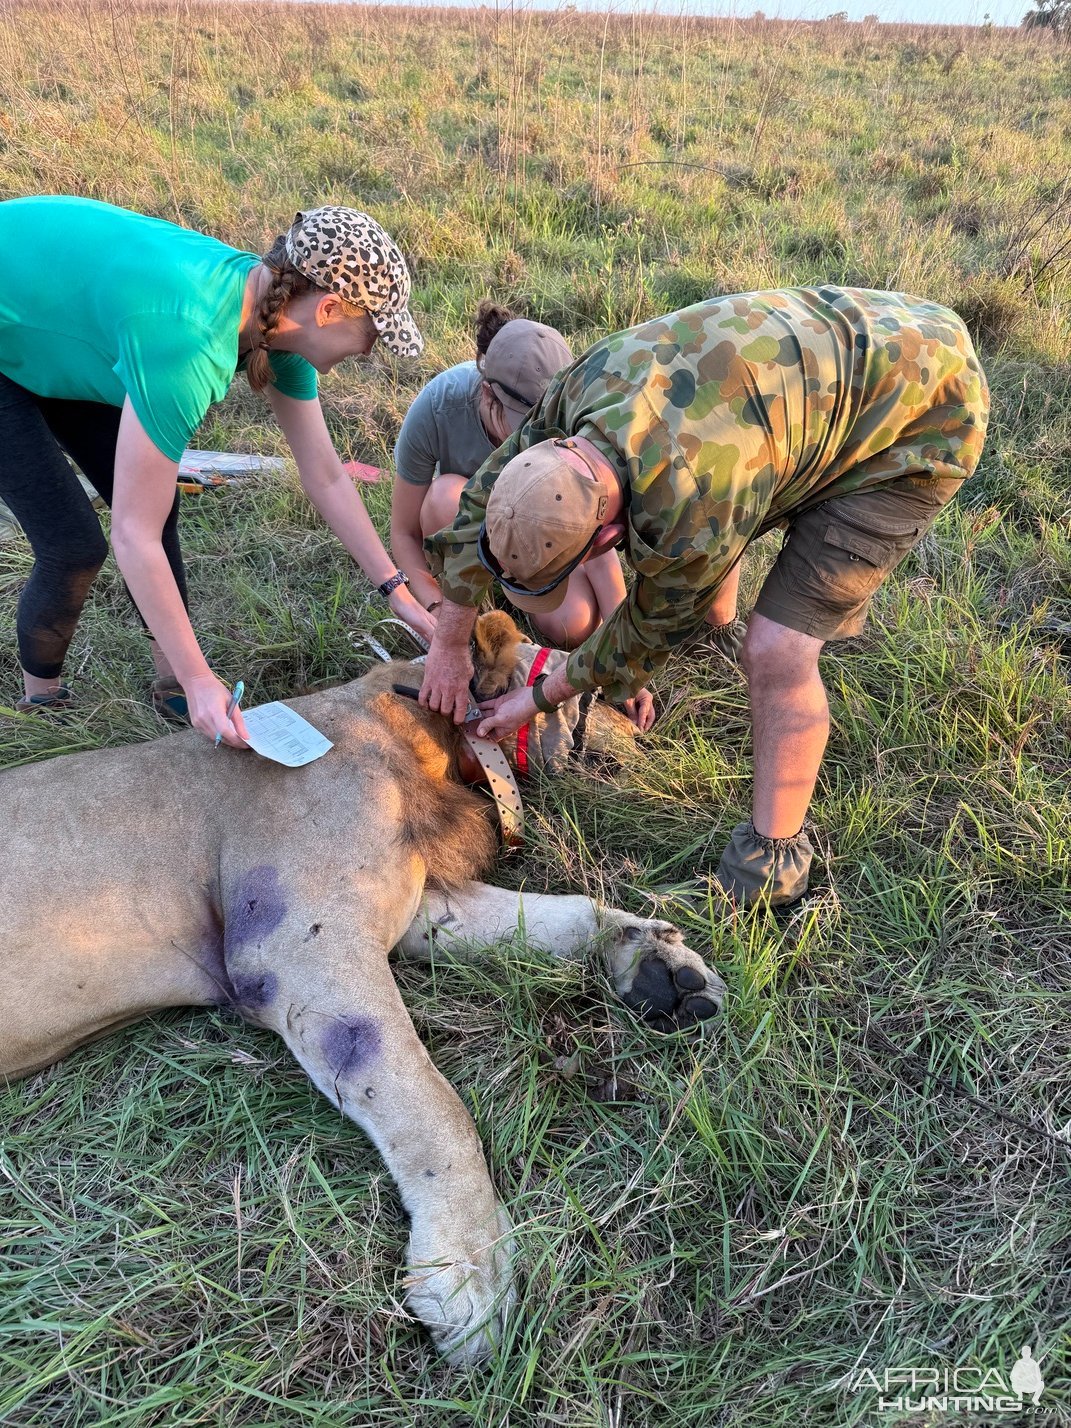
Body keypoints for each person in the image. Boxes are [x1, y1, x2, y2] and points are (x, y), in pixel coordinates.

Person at [419, 286, 989, 906]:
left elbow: (643, 636)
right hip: (858, 337)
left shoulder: (690, 513)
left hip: (921, 413)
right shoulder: (576, 388)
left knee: (777, 650)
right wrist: (449, 642)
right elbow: (478, 500)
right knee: (720, 590)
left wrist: (535, 698)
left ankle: (768, 870)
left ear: (608, 534)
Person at [0, 197, 432, 746]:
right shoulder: (189, 344)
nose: (371, 353)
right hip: (17, 318)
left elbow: (324, 473)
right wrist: (205, 678)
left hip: (59, 320)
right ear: (326, 310)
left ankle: (171, 677)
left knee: (157, 501)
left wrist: (397, 591)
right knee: (74, 544)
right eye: (372, 335)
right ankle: (42, 703)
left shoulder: (275, 320)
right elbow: (131, 534)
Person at [391, 302, 628, 646]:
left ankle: (516, 588)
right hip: (466, 528)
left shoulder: (571, 417)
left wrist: (617, 643)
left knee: (575, 624)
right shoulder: (438, 406)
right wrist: (436, 607)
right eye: (521, 427)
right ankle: (468, 589)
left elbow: (590, 530)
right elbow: (404, 532)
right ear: (488, 393)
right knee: (445, 495)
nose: (529, 439)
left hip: (536, 536)